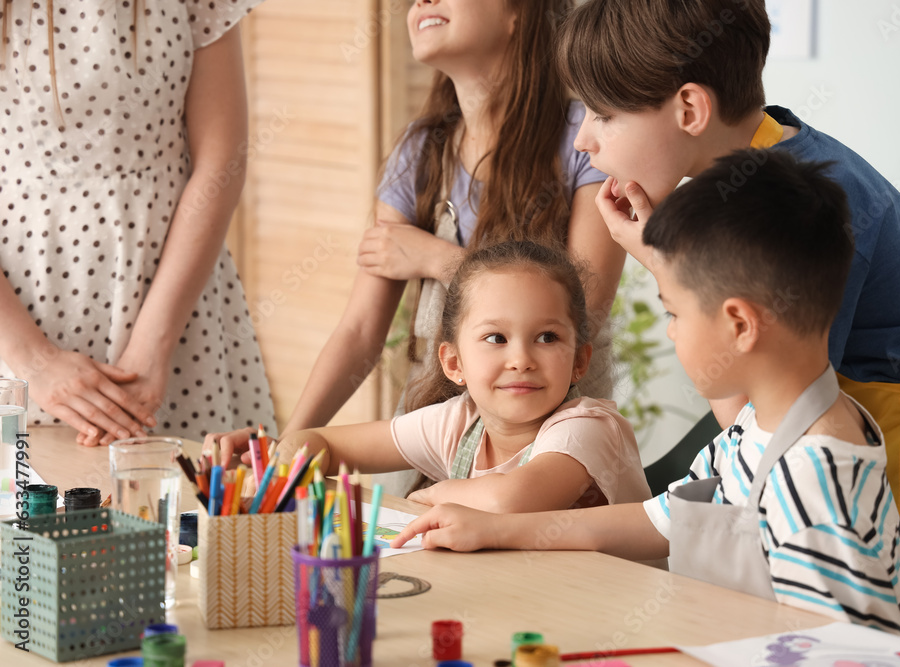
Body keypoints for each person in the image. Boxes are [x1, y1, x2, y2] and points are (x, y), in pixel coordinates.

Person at [548, 0, 900, 659]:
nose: (584, 140)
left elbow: (755, 417)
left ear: (691, 110)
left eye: (603, 113)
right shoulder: (746, 174)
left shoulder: (804, 210)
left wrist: (660, 260)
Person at [392, 150, 900, 644]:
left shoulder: (813, 482)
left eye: (673, 312)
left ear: (739, 327)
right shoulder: (763, 423)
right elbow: (662, 519)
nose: (672, 331)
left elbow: (835, 656)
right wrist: (497, 530)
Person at [208, 0, 625, 493]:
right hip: (438, 431)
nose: (421, 2)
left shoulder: (586, 137)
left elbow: (584, 306)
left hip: (552, 435)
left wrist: (434, 257)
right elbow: (360, 331)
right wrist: (284, 449)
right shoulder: (421, 152)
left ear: (520, 13)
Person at [0, 1, 276, 445]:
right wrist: (35, 360)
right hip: (16, 321)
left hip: (177, 310)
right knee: (27, 506)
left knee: (186, 504)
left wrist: (153, 348)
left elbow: (221, 163)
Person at [273, 241, 650, 511]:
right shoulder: (457, 423)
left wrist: (434, 496)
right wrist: (284, 464)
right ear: (454, 364)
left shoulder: (588, 428)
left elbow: (510, 500)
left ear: (580, 361)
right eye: (495, 338)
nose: (520, 359)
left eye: (547, 337)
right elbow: (321, 444)